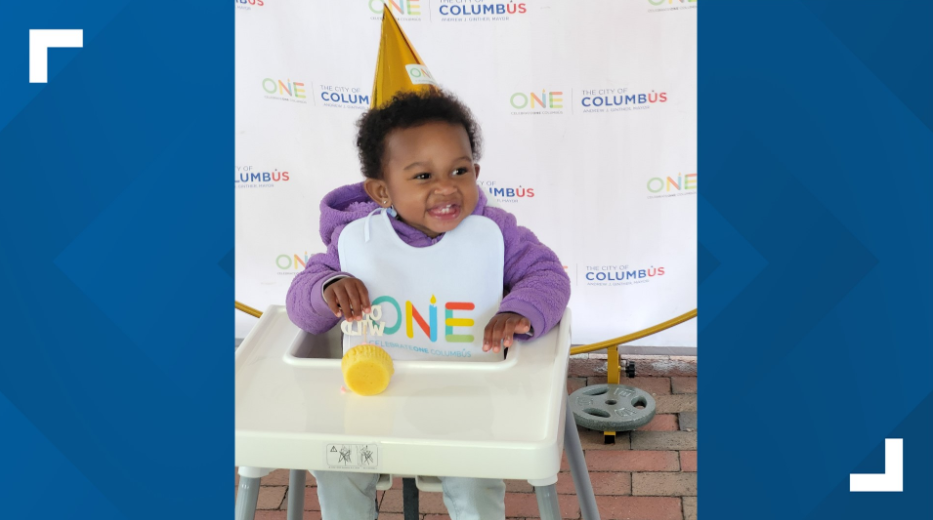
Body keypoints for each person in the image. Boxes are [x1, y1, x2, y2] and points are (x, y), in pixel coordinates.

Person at [285, 89, 570, 520]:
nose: (446, 187)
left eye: (459, 170)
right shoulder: (356, 238)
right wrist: (329, 288)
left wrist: (520, 310)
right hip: (371, 399)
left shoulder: (494, 233)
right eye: (422, 176)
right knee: (335, 463)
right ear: (382, 191)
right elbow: (299, 306)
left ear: (475, 173)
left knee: (474, 479)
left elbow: (547, 275)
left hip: (468, 401)